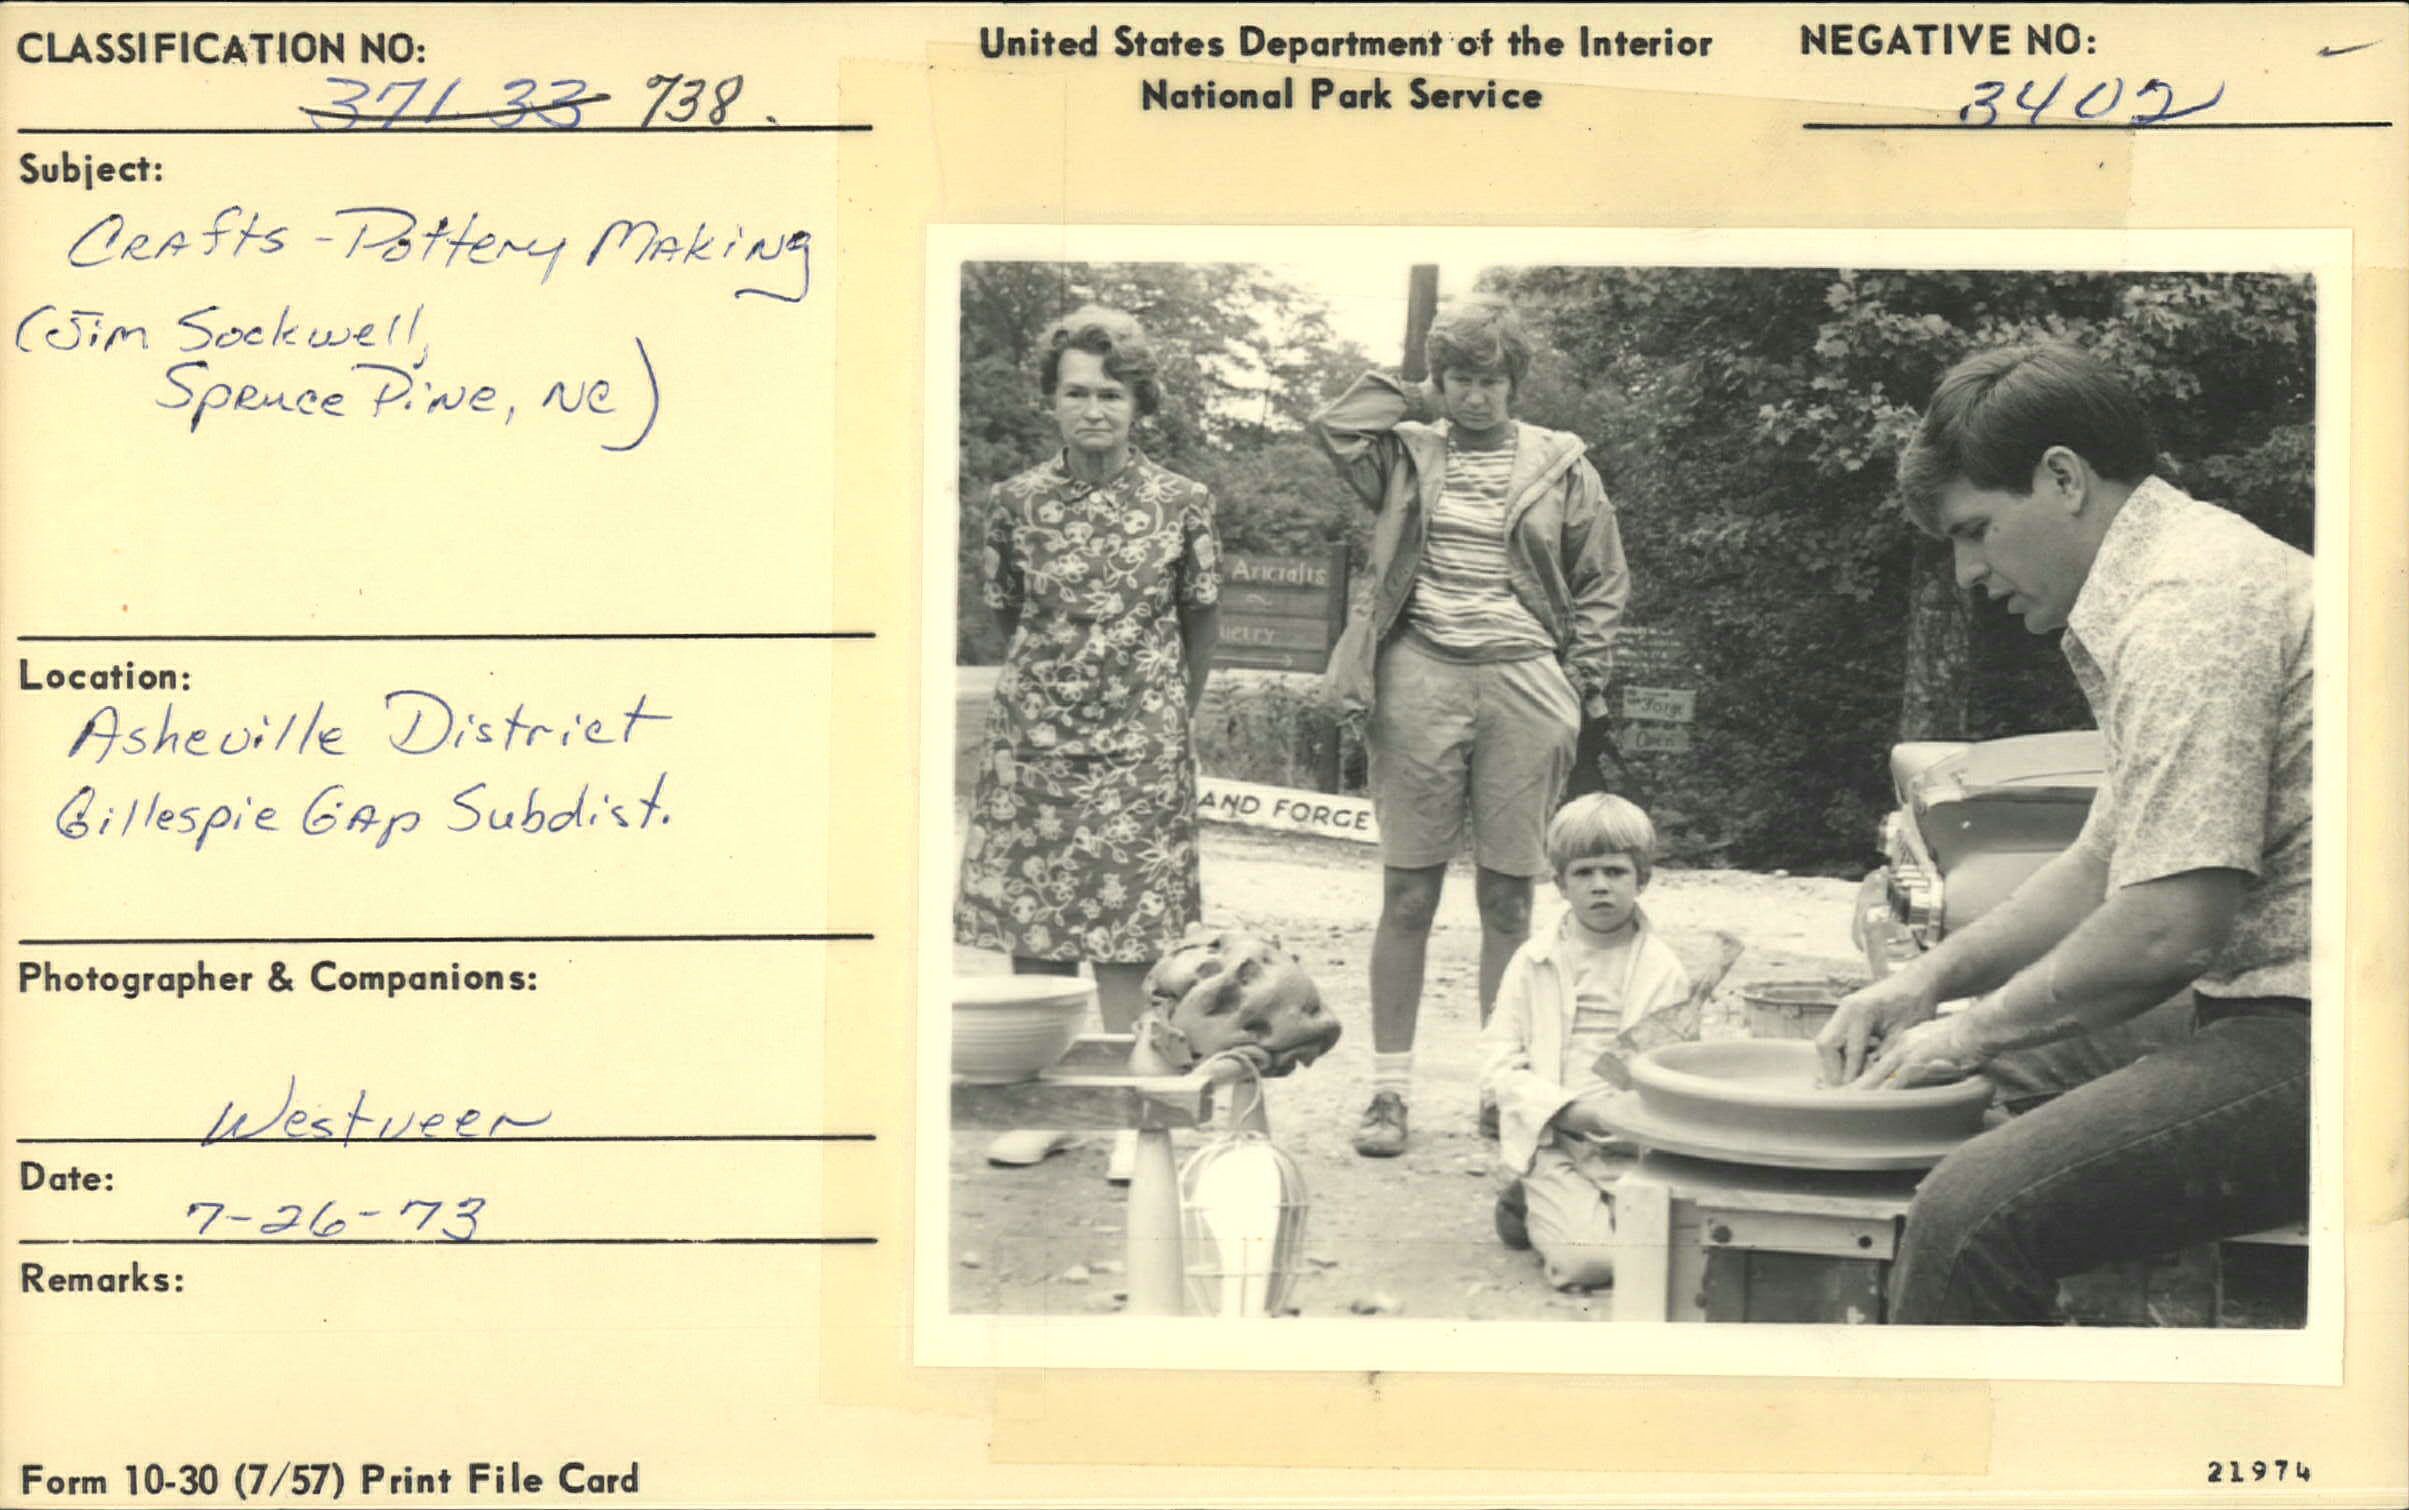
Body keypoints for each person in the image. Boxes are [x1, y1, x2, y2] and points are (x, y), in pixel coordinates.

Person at [1817, 341, 2311, 1325]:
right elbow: (2099, 865)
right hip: (2284, 1009)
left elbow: (2170, 929)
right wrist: (1923, 983)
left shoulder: (2189, 607)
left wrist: (1971, 1028)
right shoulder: (2174, 577)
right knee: (1961, 1073)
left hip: (2344, 1038)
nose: (1966, 572)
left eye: (1976, 530)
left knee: (1970, 1212)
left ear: (2062, 478)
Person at [1309, 300, 1629, 1158]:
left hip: (1526, 681)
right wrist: (1418, 388)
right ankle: (1388, 1092)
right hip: (1416, 674)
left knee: (1506, 896)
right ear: (1439, 380)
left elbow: (1601, 579)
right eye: (1459, 378)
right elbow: (1335, 425)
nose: (1475, 397)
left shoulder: (1562, 464)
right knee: (1407, 891)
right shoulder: (1409, 454)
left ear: (1513, 382)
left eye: (1489, 379)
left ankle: (1503, 1091)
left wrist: (1577, 674)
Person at [955, 306, 1222, 1173]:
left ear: (1138, 402)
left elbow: (1200, 618)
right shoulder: (1014, 503)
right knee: (1035, 918)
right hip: (1034, 732)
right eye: (1076, 392)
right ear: (1051, 401)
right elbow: (1003, 612)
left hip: (1142, 734)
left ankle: (1126, 1106)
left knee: (1131, 924)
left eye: (1111, 393)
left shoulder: (1182, 502)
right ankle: (1053, 1104)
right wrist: (1055, 691)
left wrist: (1168, 715)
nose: (1094, 409)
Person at [1479, 793, 1692, 1290]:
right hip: (1553, 1136)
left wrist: (1626, 1116)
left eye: (1616, 872)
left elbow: (1672, 1070)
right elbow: (1497, 1067)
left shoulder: (1666, 972)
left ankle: (1546, 1206)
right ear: (1559, 883)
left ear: (1643, 879)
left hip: (1630, 1145)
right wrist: (1567, 1112)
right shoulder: (1532, 961)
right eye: (1585, 873)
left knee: (1672, 1256)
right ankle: (1528, 1197)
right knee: (1591, 1265)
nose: (1600, 887)